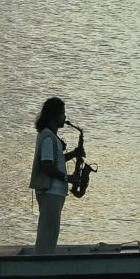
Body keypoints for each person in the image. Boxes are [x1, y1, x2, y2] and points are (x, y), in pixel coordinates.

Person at [28, 97, 82, 254]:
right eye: (63, 113)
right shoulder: (47, 137)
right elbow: (47, 167)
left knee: (51, 233)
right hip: (50, 192)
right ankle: (42, 265)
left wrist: (73, 154)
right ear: (55, 115)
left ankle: (44, 262)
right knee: (47, 235)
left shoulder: (50, 136)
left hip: (54, 193)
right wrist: (68, 178)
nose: (65, 118)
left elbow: (54, 161)